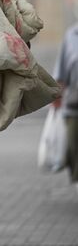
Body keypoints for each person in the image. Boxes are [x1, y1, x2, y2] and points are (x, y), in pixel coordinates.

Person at [53, 22, 78, 194]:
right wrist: (56, 97)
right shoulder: (72, 35)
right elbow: (61, 72)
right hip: (73, 107)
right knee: (74, 151)